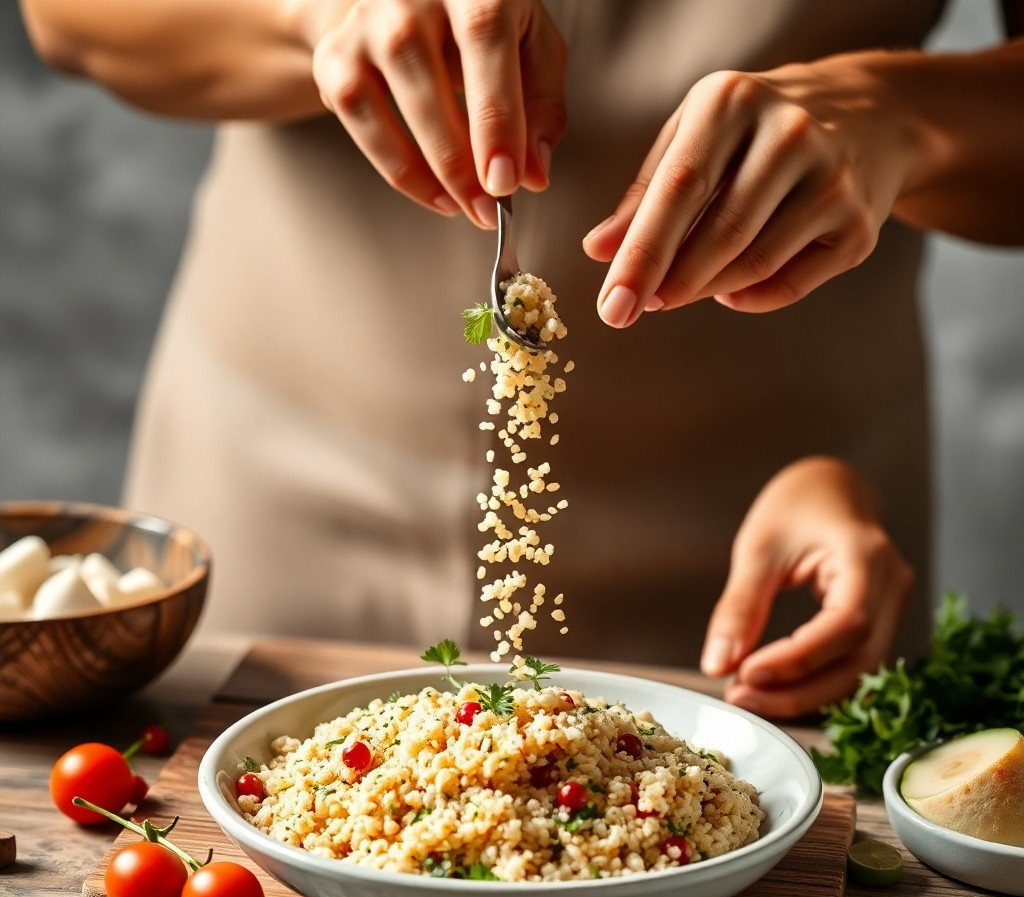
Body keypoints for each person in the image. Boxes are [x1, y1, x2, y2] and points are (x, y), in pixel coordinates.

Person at [17, 1, 1024, 718]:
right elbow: (68, 18)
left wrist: (901, 112)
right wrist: (311, 15)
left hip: (775, 517)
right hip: (276, 473)